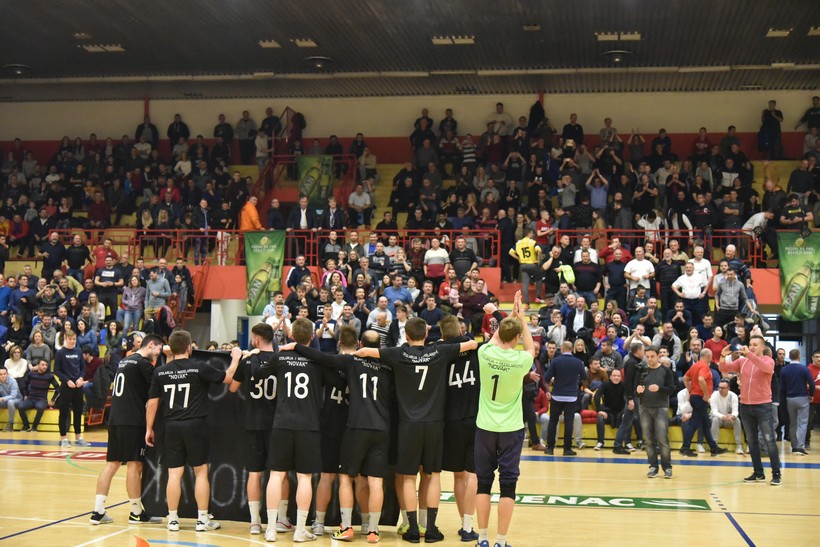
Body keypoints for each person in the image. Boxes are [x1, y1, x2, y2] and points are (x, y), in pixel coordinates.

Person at [355, 317, 477, 543]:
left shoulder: (397, 353)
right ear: (426, 333)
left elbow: (365, 352)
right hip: (434, 424)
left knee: (408, 478)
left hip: (408, 425)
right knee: (432, 476)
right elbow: (470, 344)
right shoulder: (439, 352)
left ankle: (412, 529)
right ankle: (430, 529)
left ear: (406, 335)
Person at [284, 327, 393, 543]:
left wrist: (296, 345)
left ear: (360, 345)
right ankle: (371, 528)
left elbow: (320, 357)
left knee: (338, 477)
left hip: (348, 426)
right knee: (370, 481)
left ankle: (332, 524)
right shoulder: (389, 366)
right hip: (379, 427)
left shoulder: (349, 361)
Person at [145, 330, 241, 532]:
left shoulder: (160, 371)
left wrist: (149, 428)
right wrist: (235, 358)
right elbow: (227, 378)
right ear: (189, 347)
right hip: (196, 425)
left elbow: (152, 403)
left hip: (171, 426)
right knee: (201, 473)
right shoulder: (198, 367)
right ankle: (202, 520)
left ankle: (172, 520)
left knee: (173, 474)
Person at [255, 317, 331, 543]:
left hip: (282, 423)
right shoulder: (317, 360)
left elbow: (259, 374)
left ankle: (271, 528)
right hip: (308, 425)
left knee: (276, 475)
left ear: (290, 335)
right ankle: (300, 530)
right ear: (312, 337)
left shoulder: (280, 357)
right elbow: (331, 381)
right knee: (305, 477)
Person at [474, 291, 536, 547]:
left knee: (483, 484)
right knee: (508, 485)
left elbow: (498, 336)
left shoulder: (484, 352)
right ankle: (501, 540)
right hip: (510, 429)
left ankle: (482, 538)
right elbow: (531, 348)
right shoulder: (521, 360)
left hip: (485, 427)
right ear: (517, 338)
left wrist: (511, 318)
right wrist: (522, 320)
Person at [89, 334, 165, 525]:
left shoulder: (125, 361)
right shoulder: (143, 363)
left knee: (112, 464)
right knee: (135, 464)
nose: (159, 354)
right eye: (159, 350)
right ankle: (136, 512)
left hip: (115, 419)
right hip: (132, 420)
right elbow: (160, 384)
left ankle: (98, 511)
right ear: (152, 344)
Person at [228, 323, 285, 535]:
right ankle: (281, 519)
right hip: (277, 423)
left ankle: (254, 522)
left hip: (253, 422)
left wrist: (238, 359)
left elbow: (232, 387)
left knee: (254, 474)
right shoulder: (281, 360)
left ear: (256, 339)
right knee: (279, 474)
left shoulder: (248, 359)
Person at [719, 337, 781, 485]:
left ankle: (776, 474)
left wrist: (749, 355)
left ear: (762, 347)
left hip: (763, 405)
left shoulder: (768, 360)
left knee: (769, 440)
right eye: (750, 344)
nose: (751, 347)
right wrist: (722, 356)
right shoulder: (743, 361)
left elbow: (766, 369)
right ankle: (758, 473)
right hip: (746, 405)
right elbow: (724, 368)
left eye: (755, 345)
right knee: (752, 441)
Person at [636, 346, 676, 479]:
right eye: (647, 357)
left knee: (662, 439)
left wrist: (660, 389)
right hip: (644, 408)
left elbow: (671, 389)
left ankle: (667, 467)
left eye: (652, 356)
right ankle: (653, 467)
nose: (650, 359)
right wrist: (638, 390)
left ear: (658, 356)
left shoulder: (666, 371)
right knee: (648, 440)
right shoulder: (642, 371)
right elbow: (637, 387)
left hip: (660, 408)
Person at [680, 348, 727, 457]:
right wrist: (706, 394)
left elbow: (685, 378)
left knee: (705, 424)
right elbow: (701, 379)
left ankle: (714, 448)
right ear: (709, 356)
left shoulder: (695, 365)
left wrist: (690, 391)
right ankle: (685, 447)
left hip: (695, 396)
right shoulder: (704, 366)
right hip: (700, 398)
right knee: (694, 423)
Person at [543, 341, 587, 455]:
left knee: (553, 421)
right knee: (569, 422)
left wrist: (554, 379)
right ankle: (567, 449)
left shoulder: (556, 361)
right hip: (571, 397)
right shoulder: (578, 362)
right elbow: (585, 376)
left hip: (557, 395)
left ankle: (550, 448)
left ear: (562, 348)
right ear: (572, 349)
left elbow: (546, 377)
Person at [54, 331, 91, 448]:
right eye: (70, 339)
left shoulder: (78, 351)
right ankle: (64, 438)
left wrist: (81, 378)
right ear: (66, 338)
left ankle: (78, 437)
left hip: (78, 386)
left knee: (78, 411)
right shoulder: (60, 353)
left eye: (74, 339)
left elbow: (83, 368)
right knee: (64, 412)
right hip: (66, 386)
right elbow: (57, 370)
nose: (72, 341)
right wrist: (67, 380)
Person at [780, 349, 815, 456]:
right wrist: (811, 395)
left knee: (792, 423)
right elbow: (812, 383)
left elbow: (782, 387)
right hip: (802, 397)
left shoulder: (784, 370)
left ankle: (794, 446)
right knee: (803, 423)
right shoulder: (804, 369)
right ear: (799, 356)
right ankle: (800, 446)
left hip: (790, 398)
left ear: (789, 357)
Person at [17, 358, 59, 432]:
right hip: (31, 398)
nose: (45, 366)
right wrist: (25, 395)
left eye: (46, 365)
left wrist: (53, 400)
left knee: (40, 407)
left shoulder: (49, 376)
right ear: (38, 365)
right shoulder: (31, 374)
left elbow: (58, 388)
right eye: (43, 365)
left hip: (42, 399)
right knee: (21, 407)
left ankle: (34, 426)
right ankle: (26, 426)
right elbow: (25, 384)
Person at [710, 379, 745, 455]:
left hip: (729, 420)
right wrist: (722, 416)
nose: (720, 389)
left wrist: (732, 416)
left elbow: (735, 411)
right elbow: (714, 411)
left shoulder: (733, 396)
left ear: (728, 388)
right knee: (715, 419)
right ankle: (714, 445)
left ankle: (739, 446)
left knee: (737, 420)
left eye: (722, 388)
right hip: (719, 418)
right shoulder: (714, 395)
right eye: (719, 387)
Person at [593, 368, 626, 450]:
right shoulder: (605, 385)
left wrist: (625, 412)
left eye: (618, 376)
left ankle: (627, 443)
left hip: (620, 412)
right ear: (610, 377)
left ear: (621, 377)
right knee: (600, 417)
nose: (616, 377)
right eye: (614, 376)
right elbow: (597, 396)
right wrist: (599, 410)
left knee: (628, 417)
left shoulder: (624, 385)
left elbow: (629, 399)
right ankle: (600, 442)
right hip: (608, 412)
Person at [508, 228, 540, 309]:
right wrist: (538, 260)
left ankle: (527, 303)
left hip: (523, 265)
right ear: (529, 233)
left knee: (524, 285)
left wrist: (518, 258)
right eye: (532, 233)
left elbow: (510, 252)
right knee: (539, 278)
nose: (533, 235)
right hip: (532, 264)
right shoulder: (532, 242)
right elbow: (539, 250)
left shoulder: (519, 243)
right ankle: (537, 297)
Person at [0, 367, 22, 432]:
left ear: (7, 374)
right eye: (0, 374)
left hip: (17, 399)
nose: (3, 376)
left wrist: (3, 398)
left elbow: (13, 395)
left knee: (10, 402)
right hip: (5, 400)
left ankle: (10, 424)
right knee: (9, 401)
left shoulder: (12, 381)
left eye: (4, 374)